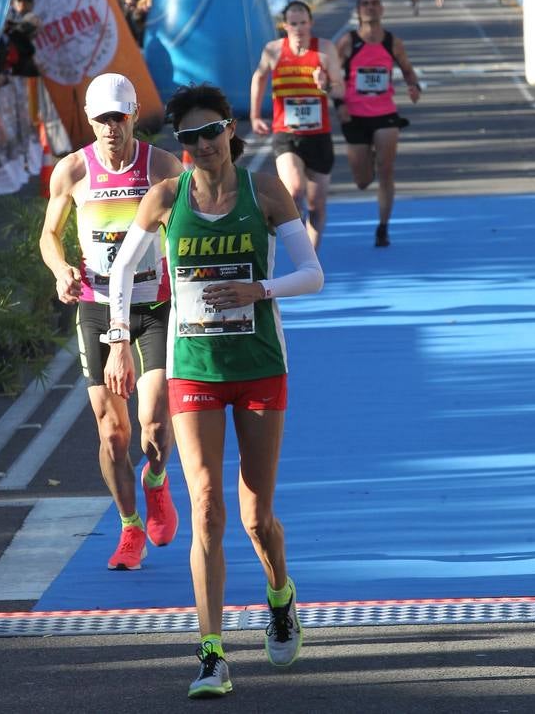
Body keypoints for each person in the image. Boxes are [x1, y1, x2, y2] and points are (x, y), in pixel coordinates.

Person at [104, 83, 324, 698]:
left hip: (258, 365)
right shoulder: (166, 198)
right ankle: (211, 653)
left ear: (231, 130)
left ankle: (280, 595)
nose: (202, 145)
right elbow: (122, 272)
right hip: (194, 368)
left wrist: (263, 290)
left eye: (211, 132)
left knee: (255, 518)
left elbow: (313, 273)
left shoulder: (265, 191)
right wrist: (120, 338)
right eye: (189, 137)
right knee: (204, 507)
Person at [39, 72, 183, 571]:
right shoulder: (73, 171)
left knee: (154, 423)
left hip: (153, 305)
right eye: (101, 118)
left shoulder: (162, 166)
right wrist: (60, 268)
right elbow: (49, 234)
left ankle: (157, 482)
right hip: (97, 305)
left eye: (119, 117)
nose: (110, 128)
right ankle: (129, 527)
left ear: (134, 114)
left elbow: (185, 229)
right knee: (111, 432)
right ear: (90, 119)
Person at [250, 0, 344, 248]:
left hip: (319, 136)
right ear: (285, 25)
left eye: (303, 23)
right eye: (293, 24)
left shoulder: (324, 50)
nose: (299, 28)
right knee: (294, 191)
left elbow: (341, 89)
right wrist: (255, 115)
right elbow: (258, 78)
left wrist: (325, 84)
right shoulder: (273, 50)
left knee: (317, 205)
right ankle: (299, 244)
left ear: (311, 23)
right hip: (286, 134)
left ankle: (311, 254)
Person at [335, 0, 421, 247]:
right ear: (358, 11)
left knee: (386, 171)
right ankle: (368, 159)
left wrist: (414, 86)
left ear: (382, 9)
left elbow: (407, 68)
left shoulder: (392, 42)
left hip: (385, 115)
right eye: (365, 4)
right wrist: (339, 103)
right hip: (355, 117)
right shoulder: (348, 42)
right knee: (362, 181)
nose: (370, 8)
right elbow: (334, 78)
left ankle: (383, 227)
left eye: (374, 4)